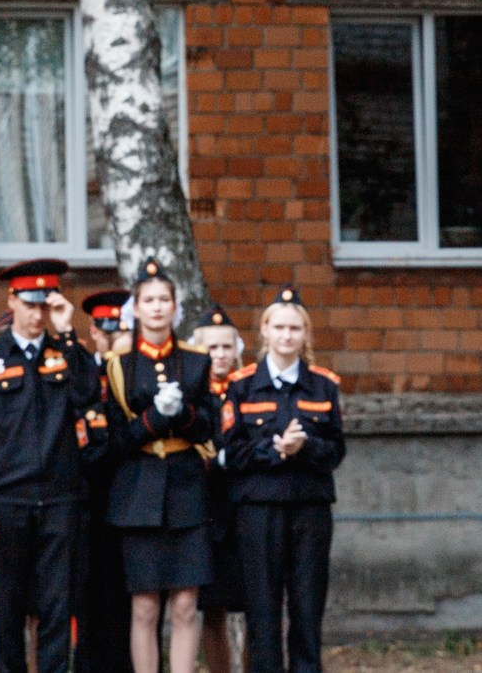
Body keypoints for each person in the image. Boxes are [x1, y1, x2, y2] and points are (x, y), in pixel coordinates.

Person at [0, 260, 101, 673]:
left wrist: (68, 330)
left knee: (57, 608)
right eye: (30, 304)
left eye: (45, 305)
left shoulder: (68, 353)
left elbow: (89, 395)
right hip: (9, 500)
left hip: (60, 499)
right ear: (12, 301)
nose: (37, 314)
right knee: (7, 610)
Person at [102, 262, 219, 673]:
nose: (156, 307)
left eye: (164, 299)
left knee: (185, 603)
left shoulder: (196, 361)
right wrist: (152, 419)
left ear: (175, 306)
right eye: (148, 300)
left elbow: (210, 427)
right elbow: (114, 439)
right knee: (145, 604)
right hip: (139, 491)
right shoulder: (118, 365)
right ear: (135, 308)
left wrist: (183, 414)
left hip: (187, 489)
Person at [219, 287, 342, 673]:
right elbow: (232, 453)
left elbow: (336, 451)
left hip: (310, 508)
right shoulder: (241, 385)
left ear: (305, 334)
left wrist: (304, 448)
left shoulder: (324, 385)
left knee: (308, 607)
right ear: (265, 331)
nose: (287, 335)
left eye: (295, 328)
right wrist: (275, 451)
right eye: (279, 327)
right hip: (258, 509)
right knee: (262, 609)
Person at [187, 309, 246, 673]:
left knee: (257, 603)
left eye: (227, 347)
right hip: (207, 508)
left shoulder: (249, 387)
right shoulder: (193, 394)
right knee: (212, 606)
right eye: (212, 348)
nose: (221, 355)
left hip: (246, 507)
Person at [80, 290, 134, 673]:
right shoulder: (85, 373)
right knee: (89, 593)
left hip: (132, 492)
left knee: (133, 597)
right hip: (89, 495)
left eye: (122, 332)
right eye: (107, 332)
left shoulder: (138, 373)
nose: (114, 340)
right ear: (94, 332)